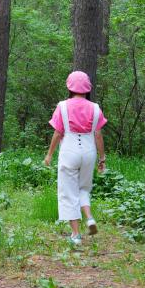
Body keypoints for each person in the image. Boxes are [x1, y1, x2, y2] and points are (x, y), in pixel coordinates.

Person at [43, 70, 107, 246]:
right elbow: (98, 135)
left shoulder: (62, 106)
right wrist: (102, 159)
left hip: (69, 150)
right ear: (87, 88)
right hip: (89, 151)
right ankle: (90, 218)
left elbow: (58, 133)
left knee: (68, 191)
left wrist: (49, 155)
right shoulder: (95, 108)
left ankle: (76, 234)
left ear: (69, 87)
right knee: (84, 188)